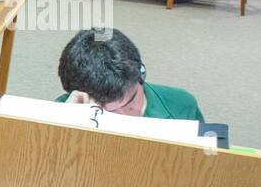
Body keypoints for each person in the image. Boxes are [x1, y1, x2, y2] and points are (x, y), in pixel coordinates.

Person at [55, 28, 204, 121]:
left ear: (141, 74)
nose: (122, 116)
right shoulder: (63, 110)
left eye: (131, 103)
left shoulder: (182, 106)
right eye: (104, 110)